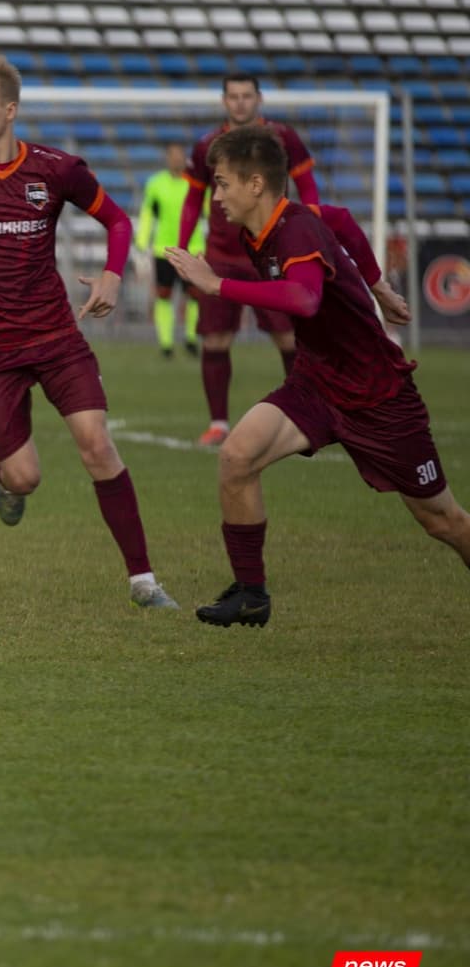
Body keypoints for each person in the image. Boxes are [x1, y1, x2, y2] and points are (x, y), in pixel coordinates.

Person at [0, 55, 179, 611]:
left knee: (97, 445)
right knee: (24, 476)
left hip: (55, 336)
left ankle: (144, 582)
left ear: (11, 109)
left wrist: (111, 273)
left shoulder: (56, 169)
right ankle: (8, 480)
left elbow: (119, 221)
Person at [166, 126, 465, 627]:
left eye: (222, 183)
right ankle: (252, 596)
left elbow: (305, 298)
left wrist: (218, 284)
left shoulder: (296, 231)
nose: (215, 195)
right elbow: (344, 221)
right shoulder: (265, 227)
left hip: (378, 396)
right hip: (317, 381)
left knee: (443, 521)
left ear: (256, 184)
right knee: (237, 457)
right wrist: (380, 287)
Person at [178, 73, 320, 447]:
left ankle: (302, 416)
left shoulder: (282, 138)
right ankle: (218, 424)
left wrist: (314, 223)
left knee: (288, 338)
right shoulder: (208, 145)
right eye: (233, 96)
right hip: (221, 254)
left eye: (246, 96)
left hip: (271, 251)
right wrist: (182, 247)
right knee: (215, 340)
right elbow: (193, 200)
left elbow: (307, 185)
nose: (240, 102)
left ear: (258, 98)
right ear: (224, 101)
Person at [135, 143, 203, 359]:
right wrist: (142, 241)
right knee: (163, 295)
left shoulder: (196, 183)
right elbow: (148, 213)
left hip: (193, 248)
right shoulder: (155, 184)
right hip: (163, 250)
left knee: (194, 295)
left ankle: (191, 338)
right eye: (172, 156)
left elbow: (211, 211)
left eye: (179, 156)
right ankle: (166, 344)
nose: (176, 160)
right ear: (167, 159)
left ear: (185, 158)